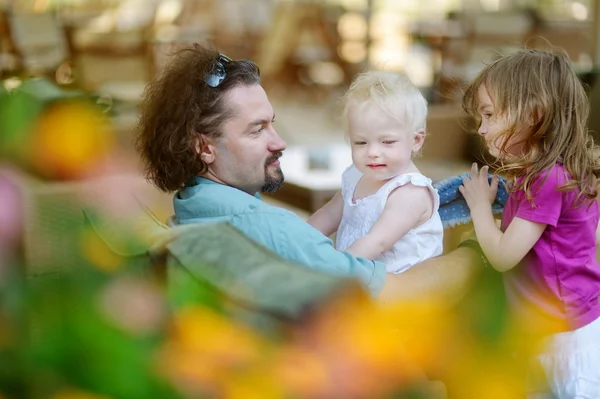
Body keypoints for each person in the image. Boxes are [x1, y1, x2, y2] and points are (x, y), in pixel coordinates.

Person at [136, 44, 481, 304]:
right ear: (204, 147)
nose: (280, 142)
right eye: (257, 130)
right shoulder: (270, 232)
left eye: (273, 124)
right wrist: (477, 252)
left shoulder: (189, 212)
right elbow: (400, 294)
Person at [459, 48, 600, 398]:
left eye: (490, 114)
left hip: (565, 340)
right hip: (564, 327)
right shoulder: (558, 173)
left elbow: (504, 256)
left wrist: (480, 206)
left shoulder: (546, 180)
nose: (481, 128)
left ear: (534, 115)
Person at [307, 71, 443, 274]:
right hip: (358, 273)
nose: (372, 153)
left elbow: (377, 242)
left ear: (416, 140)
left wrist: (334, 268)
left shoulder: (410, 192)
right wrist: (298, 240)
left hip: (402, 291)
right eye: (360, 142)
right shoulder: (356, 176)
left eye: (387, 142)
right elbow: (328, 215)